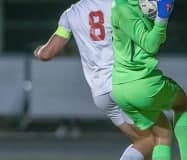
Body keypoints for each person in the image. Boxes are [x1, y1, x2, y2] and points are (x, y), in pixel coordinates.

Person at [33, 0, 159, 159]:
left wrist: (38, 51)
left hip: (101, 94)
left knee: (142, 142)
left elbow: (47, 54)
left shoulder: (70, 14)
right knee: (152, 139)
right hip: (123, 84)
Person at [111, 0, 187, 160]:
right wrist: (162, 17)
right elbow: (151, 45)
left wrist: (157, 19)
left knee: (162, 134)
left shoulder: (122, 6)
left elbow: (157, 38)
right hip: (143, 84)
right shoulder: (124, 10)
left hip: (120, 89)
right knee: (181, 102)